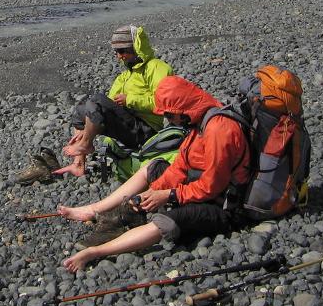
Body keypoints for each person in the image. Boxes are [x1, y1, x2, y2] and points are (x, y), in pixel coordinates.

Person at [56, 74, 251, 272]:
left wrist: (168, 194)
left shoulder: (219, 130)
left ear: (183, 110)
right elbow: (180, 166)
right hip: (201, 188)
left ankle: (95, 252)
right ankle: (94, 209)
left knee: (167, 221)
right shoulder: (199, 121)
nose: (168, 120)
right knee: (154, 167)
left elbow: (211, 187)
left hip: (224, 206)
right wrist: (152, 192)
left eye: (169, 115)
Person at [14, 25, 173, 184]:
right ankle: (79, 163)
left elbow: (166, 104)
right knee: (81, 110)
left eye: (123, 51)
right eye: (116, 52)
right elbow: (103, 109)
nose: (119, 56)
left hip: (147, 131)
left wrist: (129, 100)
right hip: (128, 128)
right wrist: (89, 125)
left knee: (97, 100)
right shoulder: (124, 77)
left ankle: (86, 145)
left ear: (136, 47)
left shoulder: (157, 68)